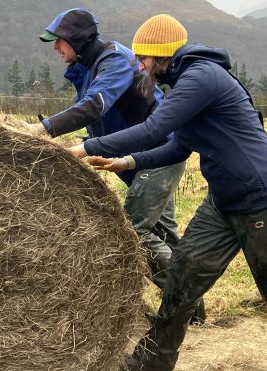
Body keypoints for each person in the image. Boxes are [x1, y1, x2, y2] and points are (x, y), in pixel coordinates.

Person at [69, 14, 267, 371]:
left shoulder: (201, 77)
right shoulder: (187, 80)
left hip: (261, 199)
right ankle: (155, 358)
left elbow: (152, 129)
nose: (140, 66)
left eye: (145, 58)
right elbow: (179, 144)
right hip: (224, 200)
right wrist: (128, 162)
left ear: (163, 54)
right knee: (183, 275)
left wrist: (86, 147)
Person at [28, 8, 206, 324]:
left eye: (59, 41)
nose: (56, 48)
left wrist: (43, 130)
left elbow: (95, 106)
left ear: (76, 39)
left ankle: (183, 305)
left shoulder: (115, 61)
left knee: (135, 233)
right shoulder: (88, 66)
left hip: (157, 154)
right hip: (137, 157)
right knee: (161, 232)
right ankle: (194, 309)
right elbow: (100, 115)